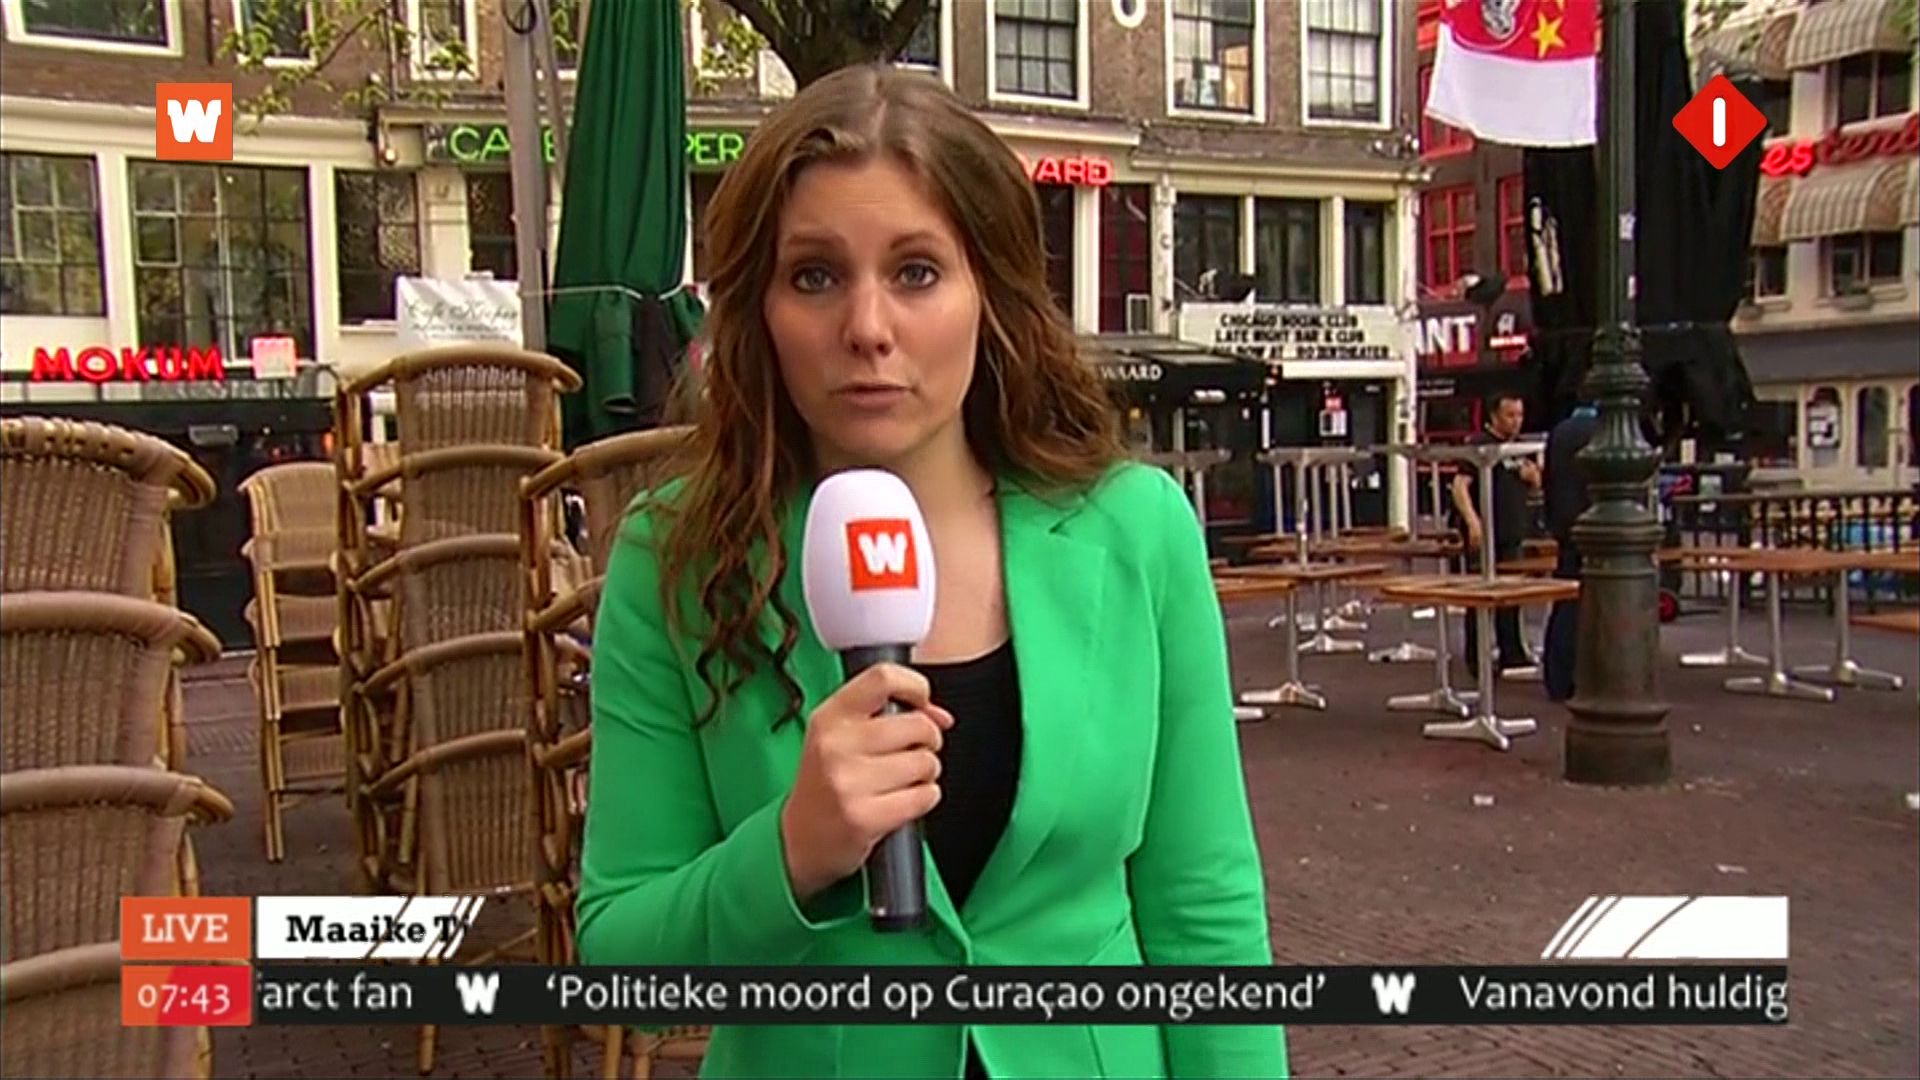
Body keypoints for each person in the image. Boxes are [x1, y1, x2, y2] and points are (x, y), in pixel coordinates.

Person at [575, 64, 1285, 1080]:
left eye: (915, 272)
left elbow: (1205, 911)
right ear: (759, 309)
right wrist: (788, 853)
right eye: (814, 276)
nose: (867, 327)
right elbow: (620, 960)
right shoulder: (674, 560)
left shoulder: (1137, 531)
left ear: (988, 292)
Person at [1449, 391, 1540, 673]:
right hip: (1485, 530)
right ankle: (1478, 658)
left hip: (1513, 528)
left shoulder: (1520, 448)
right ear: (1494, 416)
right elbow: (1460, 486)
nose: (1516, 421)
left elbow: (1537, 483)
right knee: (1480, 595)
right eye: (1510, 415)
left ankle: (1512, 651)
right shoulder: (1479, 444)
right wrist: (1472, 521)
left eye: (1520, 415)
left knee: (1511, 594)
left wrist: (1533, 478)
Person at [1540, 404, 1599, 701]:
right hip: (1595, 524)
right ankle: (1586, 672)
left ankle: (1558, 674)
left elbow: (1549, 479)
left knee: (1566, 600)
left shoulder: (1560, 432)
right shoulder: (1603, 431)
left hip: (1564, 524)